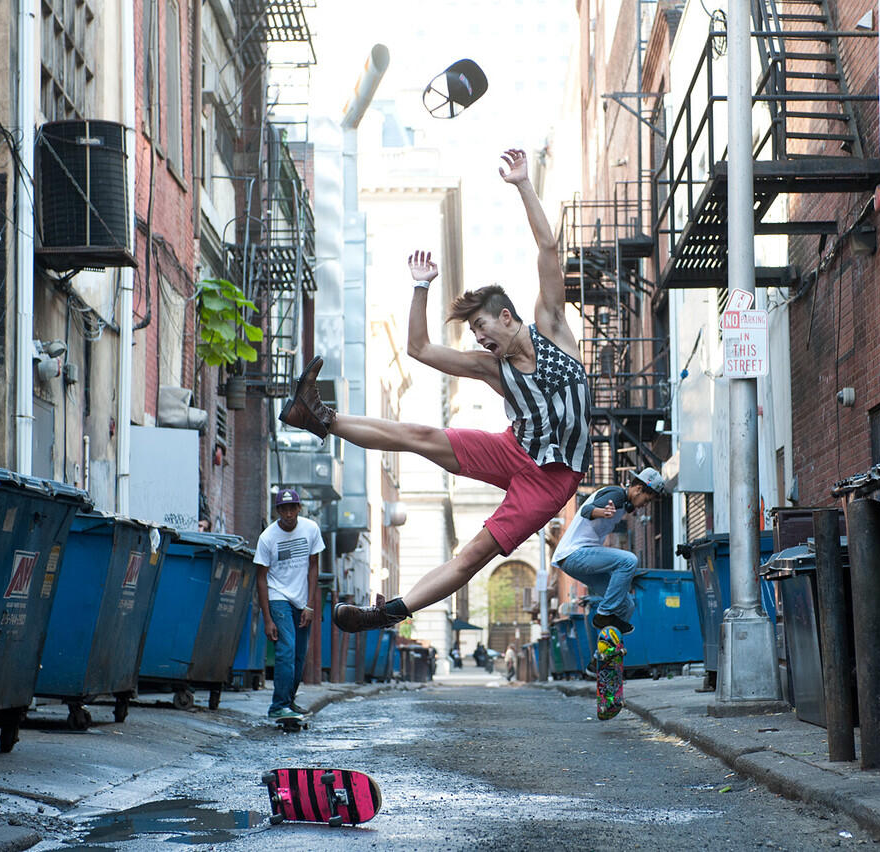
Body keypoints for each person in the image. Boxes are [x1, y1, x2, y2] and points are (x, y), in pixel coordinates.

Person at [278, 148, 592, 633]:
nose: (482, 340)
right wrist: (420, 287)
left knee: (473, 555)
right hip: (514, 450)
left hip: (551, 481)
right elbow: (420, 348)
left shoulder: (552, 327)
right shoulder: (493, 368)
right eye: (477, 336)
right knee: (420, 434)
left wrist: (523, 184)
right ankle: (318, 416)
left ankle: (388, 613)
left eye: (485, 328)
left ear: (507, 316)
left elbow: (548, 250)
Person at [551, 467, 669, 635]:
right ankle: (603, 614)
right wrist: (602, 512)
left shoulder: (623, 503)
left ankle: (605, 656)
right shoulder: (616, 495)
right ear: (638, 489)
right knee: (629, 560)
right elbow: (586, 511)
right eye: (647, 499)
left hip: (578, 559)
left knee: (626, 605)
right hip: (574, 554)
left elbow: (628, 506)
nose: (645, 505)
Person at [254, 488, 324, 721]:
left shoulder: (311, 529)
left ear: (298, 508)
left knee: (299, 655)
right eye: (283, 509)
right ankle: (278, 705)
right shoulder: (267, 538)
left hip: (302, 600)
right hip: (278, 596)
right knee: (286, 650)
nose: (288, 513)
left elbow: (314, 566)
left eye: (292, 508)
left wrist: (310, 604)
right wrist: (267, 618)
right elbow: (261, 578)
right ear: (278, 511)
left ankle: (289, 701)